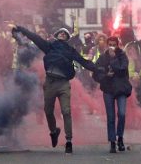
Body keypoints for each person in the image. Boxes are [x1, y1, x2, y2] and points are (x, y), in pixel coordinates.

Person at [11, 25, 96, 153]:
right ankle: (54, 132)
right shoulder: (49, 46)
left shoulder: (70, 50)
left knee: (66, 112)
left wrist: (100, 69)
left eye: (65, 33)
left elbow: (84, 62)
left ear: (67, 37)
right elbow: (34, 37)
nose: (62, 34)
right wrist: (22, 29)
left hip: (63, 84)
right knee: (48, 111)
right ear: (56, 35)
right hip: (50, 82)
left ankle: (69, 141)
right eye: (60, 32)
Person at [92, 36, 132, 153]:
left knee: (122, 113)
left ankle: (120, 138)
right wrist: (105, 75)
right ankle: (112, 141)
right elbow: (96, 74)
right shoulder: (102, 57)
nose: (112, 47)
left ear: (117, 45)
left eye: (114, 45)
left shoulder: (122, 56)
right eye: (110, 44)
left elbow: (122, 69)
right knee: (110, 117)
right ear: (106, 44)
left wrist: (114, 59)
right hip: (108, 89)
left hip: (121, 89)